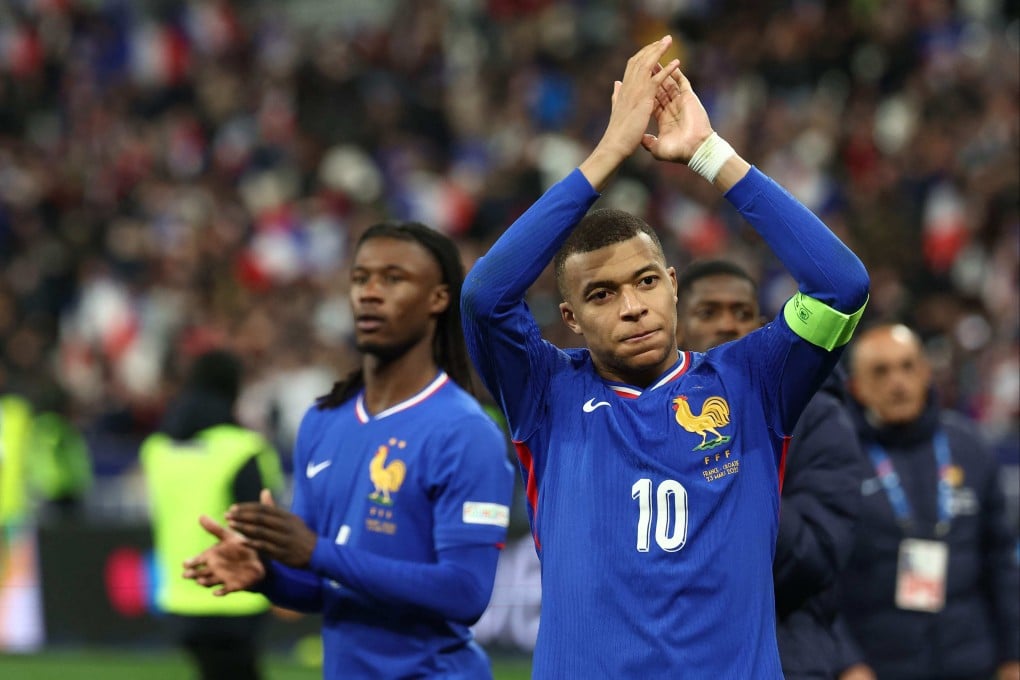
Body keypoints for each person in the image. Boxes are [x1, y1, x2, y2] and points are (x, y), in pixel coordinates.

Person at [460, 36, 870, 678]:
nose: (632, 306)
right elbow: (484, 296)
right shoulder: (544, 392)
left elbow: (841, 286)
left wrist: (712, 156)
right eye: (602, 293)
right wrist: (606, 156)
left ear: (673, 284)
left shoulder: (752, 380)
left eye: (646, 281)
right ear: (569, 319)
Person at [183, 222, 515, 679]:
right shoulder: (323, 421)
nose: (370, 293)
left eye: (393, 279)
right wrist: (268, 577)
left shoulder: (467, 431)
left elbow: (466, 592)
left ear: (438, 298)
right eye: (361, 279)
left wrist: (316, 553)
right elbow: (323, 587)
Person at [676, 259, 865, 679]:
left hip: (784, 654)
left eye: (741, 313)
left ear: (763, 327)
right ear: (677, 327)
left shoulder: (818, 417)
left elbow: (818, 555)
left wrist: (729, 474)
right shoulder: (643, 413)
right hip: (674, 654)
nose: (727, 325)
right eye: (709, 312)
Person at [836, 324, 1020, 680]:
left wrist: (1014, 656)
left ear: (925, 373)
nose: (898, 382)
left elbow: (1002, 563)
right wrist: (847, 663)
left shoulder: (969, 446)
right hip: (880, 666)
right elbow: (822, 581)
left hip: (973, 662)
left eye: (908, 366)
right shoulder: (839, 460)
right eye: (881, 371)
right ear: (855, 387)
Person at [141, 349, 283, 680]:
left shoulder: (157, 449)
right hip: (236, 593)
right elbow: (262, 523)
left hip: (178, 593)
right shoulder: (243, 448)